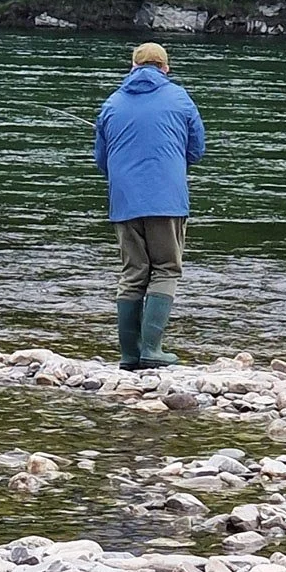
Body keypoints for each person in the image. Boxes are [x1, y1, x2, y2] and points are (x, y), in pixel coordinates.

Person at [93, 41, 206, 370]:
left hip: (125, 201)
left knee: (133, 273)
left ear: (132, 68)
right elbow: (196, 151)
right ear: (165, 68)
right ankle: (152, 350)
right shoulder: (180, 98)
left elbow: (101, 160)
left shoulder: (112, 104)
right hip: (166, 199)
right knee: (166, 269)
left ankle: (129, 354)